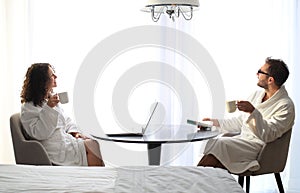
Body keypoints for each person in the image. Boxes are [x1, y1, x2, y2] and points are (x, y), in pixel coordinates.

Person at [197, 57, 295, 174]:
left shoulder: (285, 106)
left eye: (260, 72)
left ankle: (192, 182)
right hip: (242, 142)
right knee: (215, 150)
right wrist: (214, 123)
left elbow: (268, 134)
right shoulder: (256, 95)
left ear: (270, 80)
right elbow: (240, 123)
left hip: (260, 149)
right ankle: (200, 184)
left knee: (219, 146)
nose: (257, 74)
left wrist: (253, 112)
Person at [20, 63, 105, 166]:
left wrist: (74, 132)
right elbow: (39, 133)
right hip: (53, 148)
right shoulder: (29, 107)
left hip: (63, 142)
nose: (56, 76)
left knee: (93, 144)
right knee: (93, 145)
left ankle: (98, 179)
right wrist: (49, 108)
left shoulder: (48, 99)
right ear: (42, 81)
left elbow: (66, 120)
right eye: (52, 75)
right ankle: (96, 179)